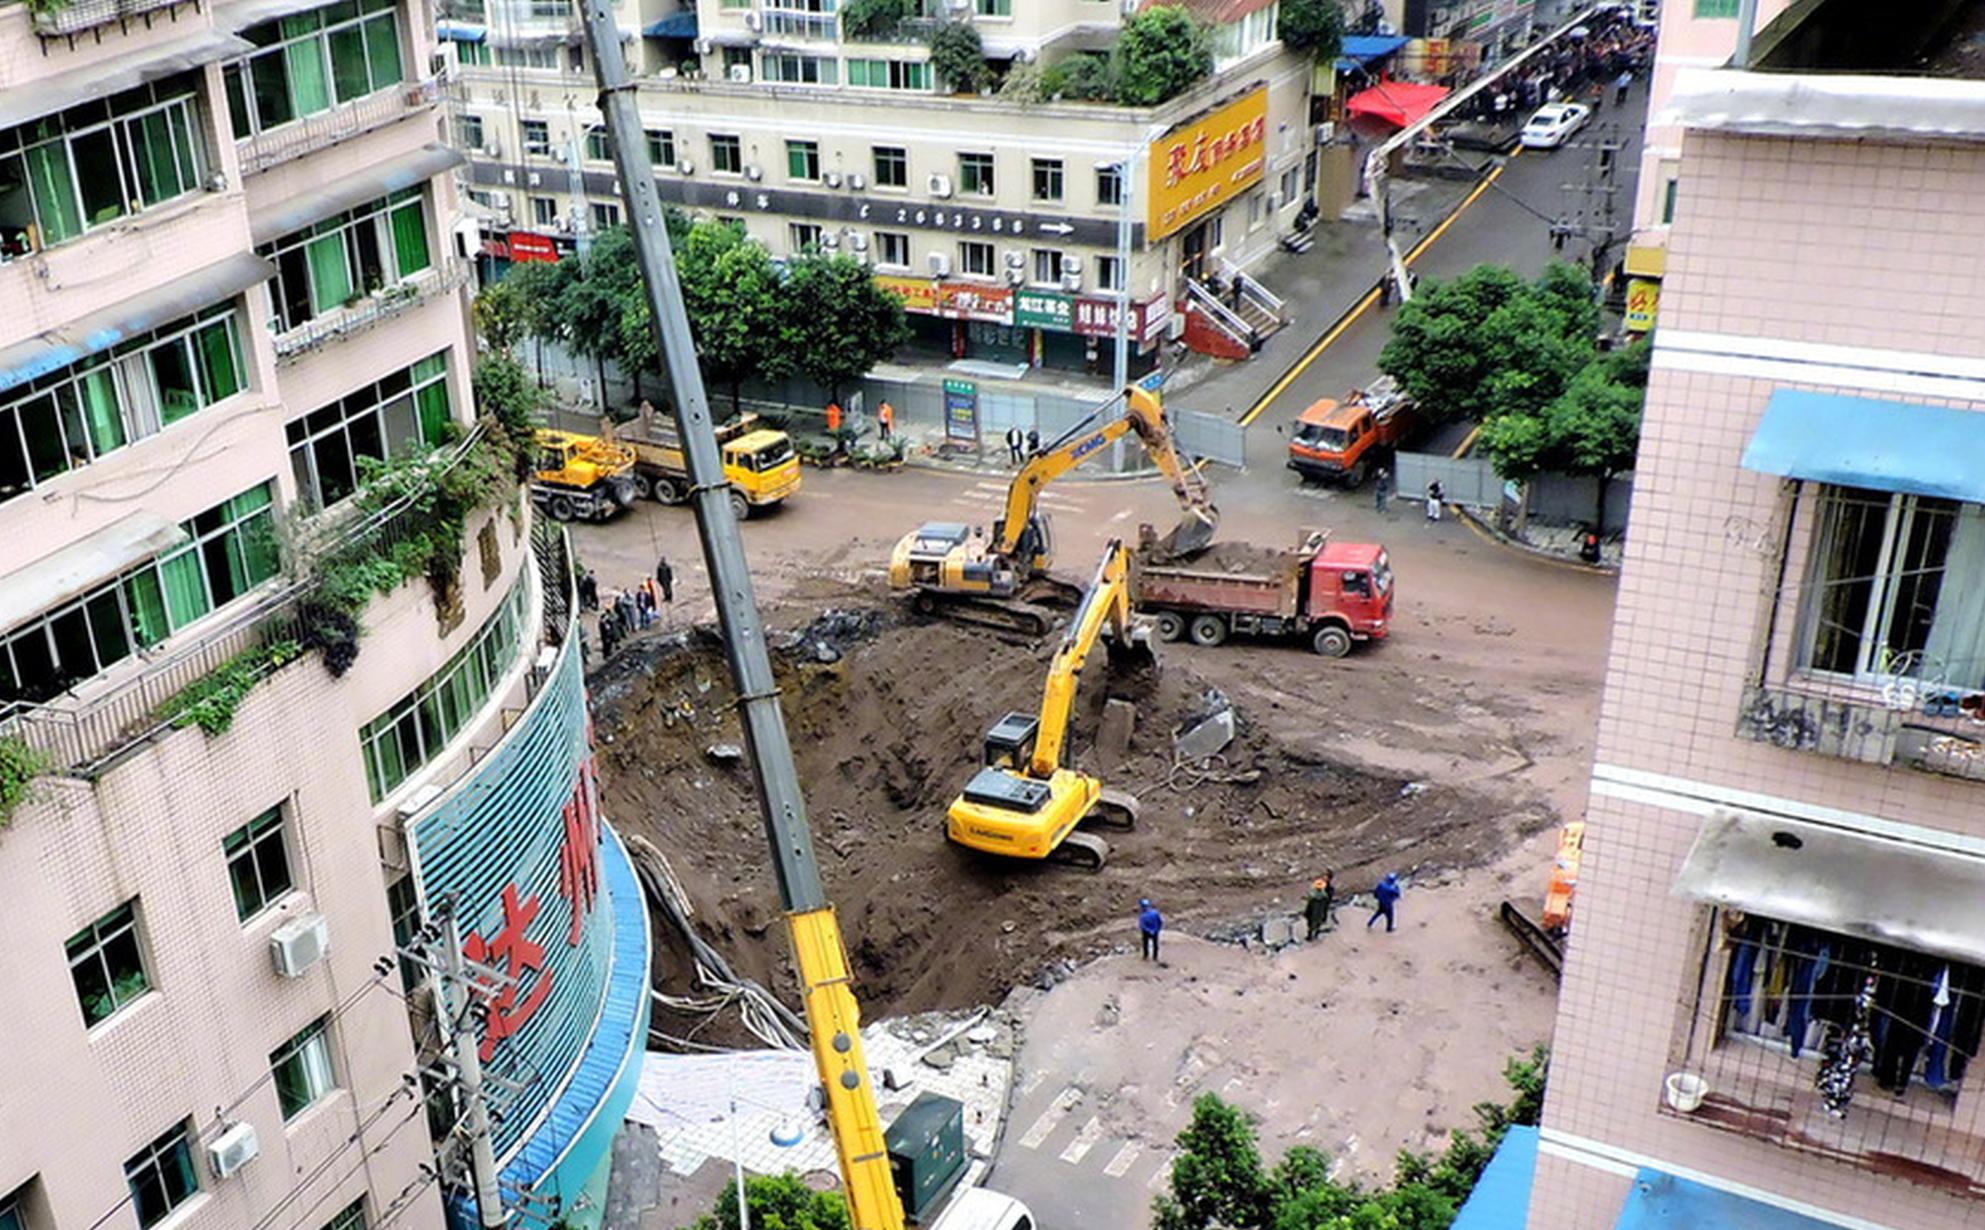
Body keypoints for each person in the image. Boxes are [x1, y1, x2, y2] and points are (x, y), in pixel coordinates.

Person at [1305, 872, 1336, 941]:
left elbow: (1309, 907)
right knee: (1318, 923)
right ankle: (1316, 934)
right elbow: (1327, 904)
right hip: (1320, 913)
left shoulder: (1313, 897)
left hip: (1312, 914)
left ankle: (1310, 936)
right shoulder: (1325, 896)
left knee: (1310, 925)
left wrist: (1306, 913)